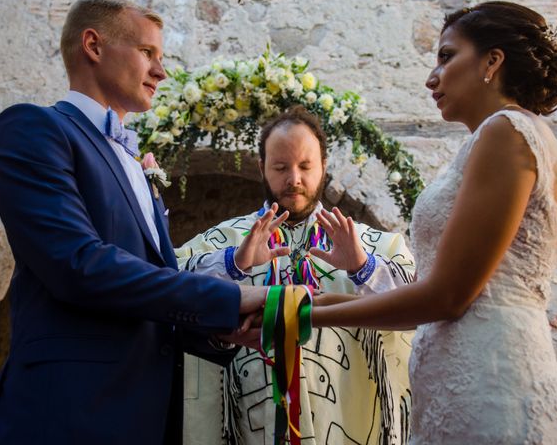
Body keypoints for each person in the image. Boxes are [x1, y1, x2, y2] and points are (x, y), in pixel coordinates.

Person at [0, 0, 264, 445]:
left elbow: (151, 292)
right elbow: (79, 265)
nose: (162, 72)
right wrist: (231, 296)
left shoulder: (136, 161)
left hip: (145, 419)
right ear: (93, 45)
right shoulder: (34, 130)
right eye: (148, 53)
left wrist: (218, 329)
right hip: (67, 416)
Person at [310, 1, 557, 443]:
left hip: (491, 383)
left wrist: (304, 317)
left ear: (492, 61)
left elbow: (447, 298)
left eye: (447, 56)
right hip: (462, 381)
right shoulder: (489, 141)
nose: (432, 77)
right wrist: (299, 303)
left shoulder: (505, 132)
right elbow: (432, 299)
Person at [176, 105, 416, 445]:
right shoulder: (227, 241)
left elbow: (418, 308)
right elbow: (169, 289)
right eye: (280, 167)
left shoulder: (373, 245)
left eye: (305, 166)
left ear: (324, 167)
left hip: (346, 421)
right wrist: (234, 264)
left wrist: (363, 267)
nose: (294, 180)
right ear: (261, 168)